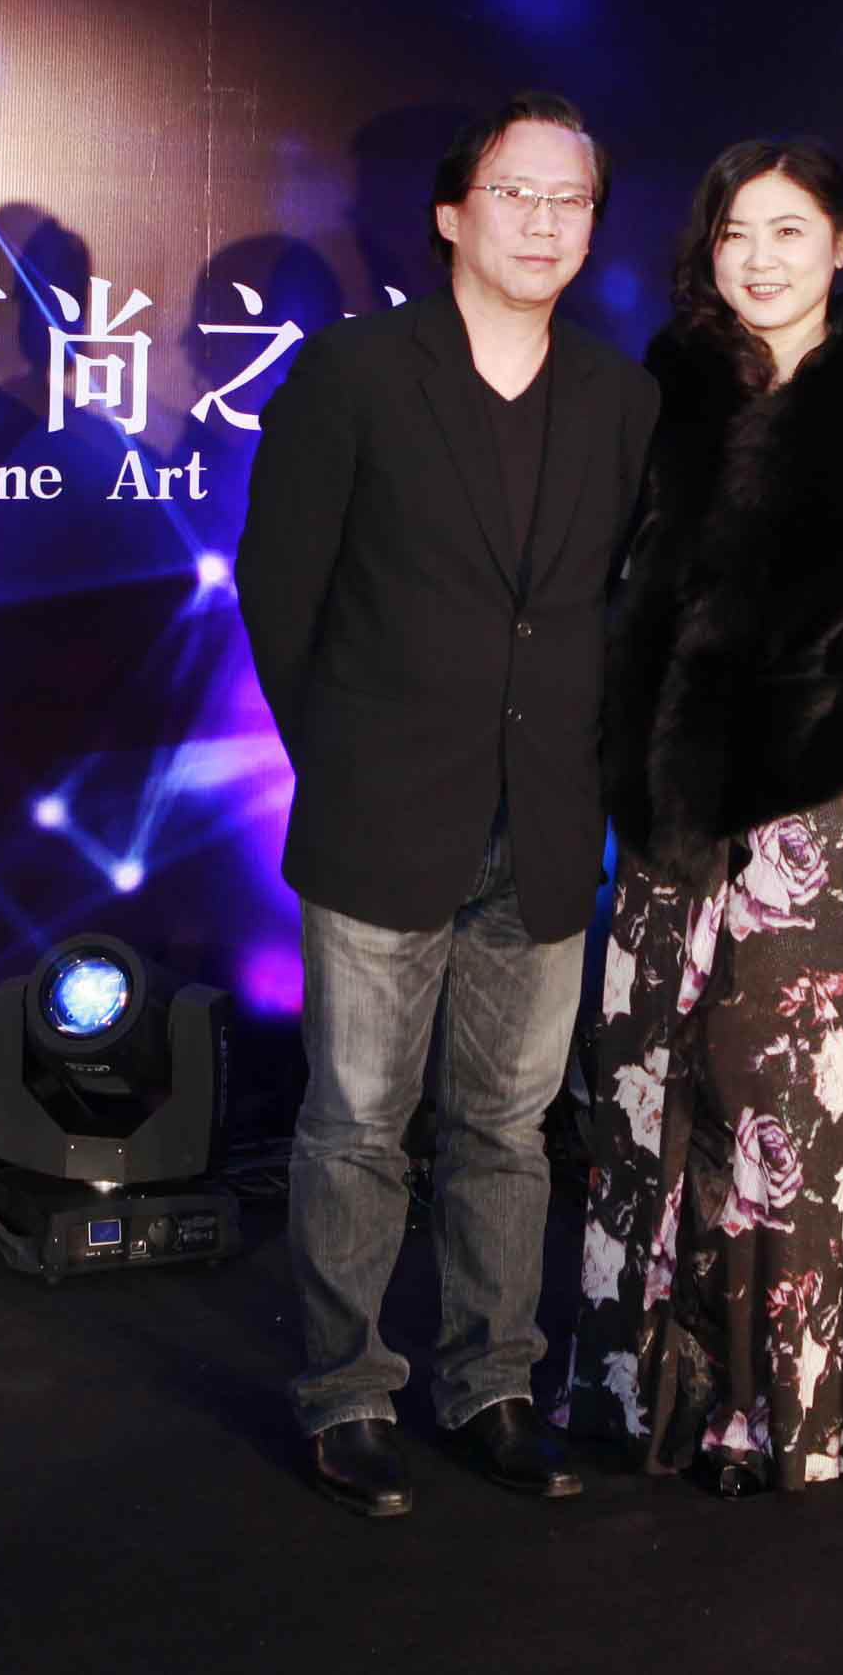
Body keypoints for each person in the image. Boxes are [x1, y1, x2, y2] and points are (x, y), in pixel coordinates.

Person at [236, 92, 660, 1519]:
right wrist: (347, 758)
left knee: (509, 1130)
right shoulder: (355, 374)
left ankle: (492, 1385)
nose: (543, 222)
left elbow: (615, 613)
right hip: (382, 811)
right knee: (357, 1123)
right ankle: (348, 1395)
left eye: (570, 200)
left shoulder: (622, 400)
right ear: (449, 214)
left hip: (545, 820)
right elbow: (281, 593)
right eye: (514, 194)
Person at [564, 137, 843, 1498]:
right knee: (652, 1090)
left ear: (842, 243)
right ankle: (659, 1396)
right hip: (665, 800)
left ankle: (779, 1411)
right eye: (736, 232)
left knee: (783, 1107)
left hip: (809, 795)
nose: (760, 259)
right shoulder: (671, 386)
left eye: (789, 230)